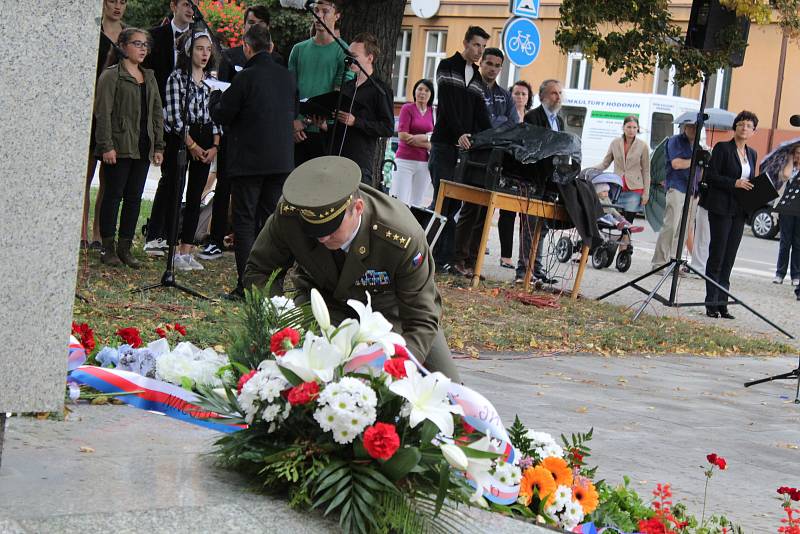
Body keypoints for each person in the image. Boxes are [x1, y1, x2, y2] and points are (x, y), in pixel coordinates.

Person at [244, 156, 460, 381]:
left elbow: (421, 317)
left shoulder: (400, 236)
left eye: (331, 229)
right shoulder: (291, 215)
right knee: (308, 379)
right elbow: (258, 270)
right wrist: (282, 317)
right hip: (321, 303)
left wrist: (399, 368)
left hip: (390, 312)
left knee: (449, 392)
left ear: (357, 208)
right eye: (313, 231)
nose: (322, 238)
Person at [209, 25, 296, 300]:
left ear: (247, 48)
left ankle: (247, 286)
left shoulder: (246, 77)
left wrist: (214, 97)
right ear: (270, 47)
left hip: (249, 161)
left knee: (245, 221)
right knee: (271, 222)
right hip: (280, 161)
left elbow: (223, 114)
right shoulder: (287, 77)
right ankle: (270, 284)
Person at [94, 28, 165, 267]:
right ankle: (107, 247)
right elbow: (103, 113)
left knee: (134, 198)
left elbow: (156, 113)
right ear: (123, 46)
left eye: (146, 45)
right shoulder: (111, 76)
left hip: (142, 148)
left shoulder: (150, 77)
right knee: (113, 196)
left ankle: (125, 247)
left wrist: (158, 145)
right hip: (119, 146)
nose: (143, 48)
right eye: (137, 44)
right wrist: (106, 145)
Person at [428, 26, 492, 273]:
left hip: (464, 149)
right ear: (465, 43)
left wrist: (493, 137)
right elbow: (447, 105)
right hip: (444, 143)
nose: (479, 51)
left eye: (483, 47)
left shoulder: (477, 78)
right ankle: (430, 256)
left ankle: (445, 259)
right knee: (441, 201)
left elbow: (480, 115)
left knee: (454, 206)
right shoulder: (447, 66)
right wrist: (459, 134)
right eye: (476, 45)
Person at [452, 47, 518, 276]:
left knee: (484, 211)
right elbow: (471, 120)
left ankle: (473, 261)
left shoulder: (505, 95)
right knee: (469, 208)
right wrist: (494, 125)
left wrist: (493, 125)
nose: (492, 68)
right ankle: (458, 259)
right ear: (481, 64)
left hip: (494, 158)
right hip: (472, 155)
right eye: (488, 63)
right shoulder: (471, 88)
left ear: (501, 68)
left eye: (497, 65)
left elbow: (512, 122)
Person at [160, 31, 221, 271]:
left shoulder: (211, 80)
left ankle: (187, 249)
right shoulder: (177, 78)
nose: (205, 53)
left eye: (208, 49)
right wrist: (192, 145)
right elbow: (174, 117)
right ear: (188, 51)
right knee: (176, 191)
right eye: (199, 48)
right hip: (183, 137)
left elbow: (216, 114)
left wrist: (215, 145)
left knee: (196, 195)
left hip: (206, 135)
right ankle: (173, 246)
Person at [142, 0, 195, 257]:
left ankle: (168, 234)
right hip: (160, 113)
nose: (190, 9)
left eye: (194, 5)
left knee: (178, 176)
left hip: (188, 118)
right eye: (186, 3)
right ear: (174, 5)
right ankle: (155, 233)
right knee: (166, 175)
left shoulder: (199, 36)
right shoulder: (156, 36)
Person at [701, 110, 758, 319]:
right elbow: (712, 176)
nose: (745, 128)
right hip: (720, 207)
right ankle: (711, 303)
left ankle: (722, 303)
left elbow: (750, 181)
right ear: (735, 127)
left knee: (729, 258)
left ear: (753, 131)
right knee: (717, 254)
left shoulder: (752, 153)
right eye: (741, 124)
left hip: (739, 210)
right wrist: (734, 183)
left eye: (749, 126)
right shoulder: (723, 148)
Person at [82, 0, 128, 252]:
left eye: (123, 2)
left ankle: (99, 232)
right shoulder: (91, 29)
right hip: (91, 110)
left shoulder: (128, 36)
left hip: (115, 112)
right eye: (113, 0)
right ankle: (81, 232)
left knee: (108, 179)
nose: (117, 6)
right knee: (85, 177)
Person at [326, 33, 394, 186]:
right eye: (349, 54)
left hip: (359, 161)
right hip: (336, 158)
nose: (350, 58)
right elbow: (340, 124)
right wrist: (326, 126)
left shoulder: (380, 90)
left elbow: (388, 128)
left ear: (370, 58)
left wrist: (356, 121)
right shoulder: (347, 86)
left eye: (354, 55)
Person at [516, 79, 565, 285]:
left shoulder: (559, 120)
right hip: (533, 178)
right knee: (529, 224)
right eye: (554, 93)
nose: (558, 97)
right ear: (543, 96)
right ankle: (523, 269)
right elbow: (533, 146)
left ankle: (537, 268)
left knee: (542, 227)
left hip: (551, 180)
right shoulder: (533, 116)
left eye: (560, 93)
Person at [288, 0, 349, 166]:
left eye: (325, 11)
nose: (318, 15)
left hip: (324, 132)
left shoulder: (343, 52)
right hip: (295, 131)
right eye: (316, 10)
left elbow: (337, 96)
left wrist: (306, 121)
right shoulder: (298, 49)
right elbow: (289, 91)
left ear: (337, 15)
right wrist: (292, 123)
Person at [650, 120, 698, 269]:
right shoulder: (675, 141)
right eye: (690, 126)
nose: (693, 129)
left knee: (684, 230)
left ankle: (673, 262)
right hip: (677, 187)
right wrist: (696, 159)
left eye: (696, 127)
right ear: (684, 127)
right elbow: (676, 164)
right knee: (671, 225)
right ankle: (659, 263)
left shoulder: (698, 146)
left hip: (693, 191)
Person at [497, 80, 532, 269]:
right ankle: (506, 256)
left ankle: (525, 258)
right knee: (507, 212)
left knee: (526, 215)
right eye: (516, 93)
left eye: (523, 94)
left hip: (526, 170)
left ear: (528, 98)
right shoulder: (505, 115)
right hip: (508, 167)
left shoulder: (532, 117)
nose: (519, 97)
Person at [593, 115, 651, 225]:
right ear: (623, 127)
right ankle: (621, 239)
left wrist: (646, 193)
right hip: (617, 186)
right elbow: (605, 163)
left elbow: (646, 171)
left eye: (634, 127)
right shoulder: (615, 143)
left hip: (635, 188)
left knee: (628, 220)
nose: (632, 130)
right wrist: (591, 169)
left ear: (638, 128)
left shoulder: (643, 146)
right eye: (629, 127)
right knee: (611, 214)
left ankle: (625, 239)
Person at [390, 79, 434, 207]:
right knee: (399, 201)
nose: (422, 93)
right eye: (420, 89)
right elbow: (403, 135)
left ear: (431, 94)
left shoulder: (434, 112)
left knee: (417, 203)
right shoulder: (407, 108)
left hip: (425, 164)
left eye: (426, 90)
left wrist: (419, 138)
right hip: (404, 161)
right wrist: (426, 140)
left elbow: (434, 140)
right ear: (414, 91)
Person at [218, 5, 284, 82]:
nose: (255, 26)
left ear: (268, 27)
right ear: (244, 26)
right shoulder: (228, 56)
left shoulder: (277, 60)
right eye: (251, 22)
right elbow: (221, 87)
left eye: (261, 23)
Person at [774, 145, 800, 285]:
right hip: (786, 209)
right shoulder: (789, 166)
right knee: (785, 242)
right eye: (796, 153)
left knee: (798, 243)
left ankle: (796, 275)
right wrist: (790, 159)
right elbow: (785, 176)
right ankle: (780, 273)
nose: (798, 156)